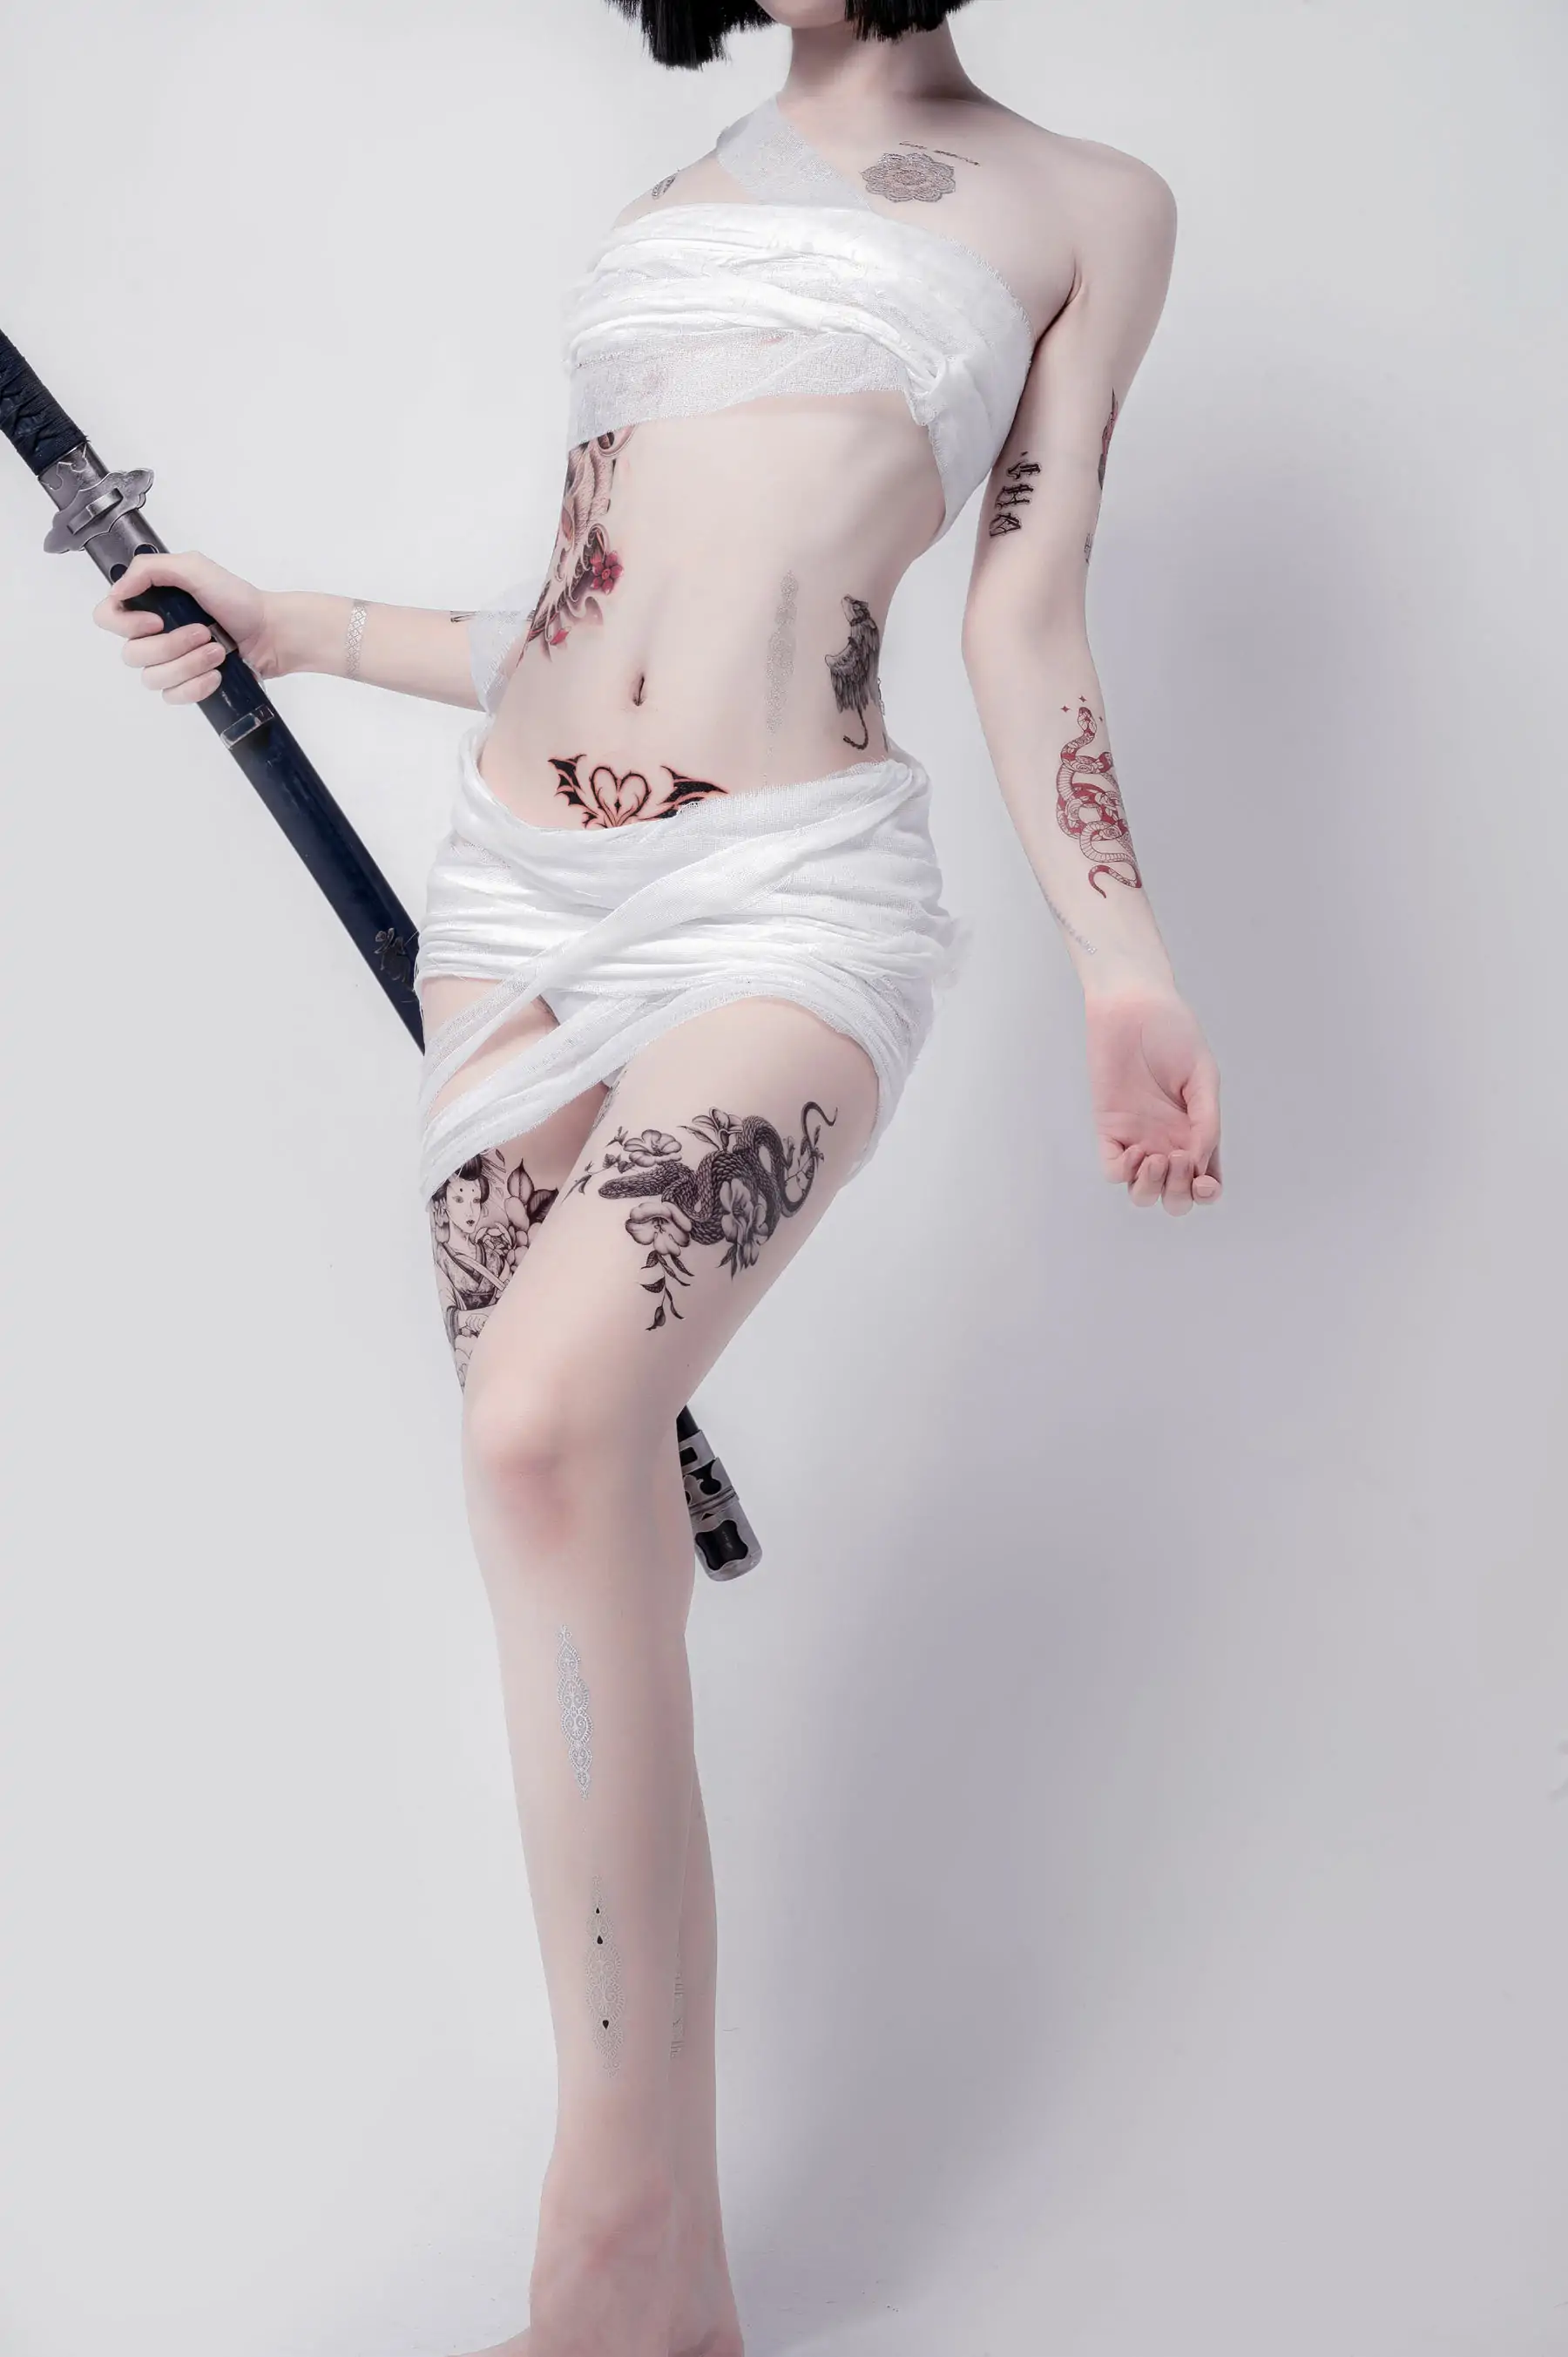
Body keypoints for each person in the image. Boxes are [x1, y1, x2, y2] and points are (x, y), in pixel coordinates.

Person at [93, 3, 1223, 2349]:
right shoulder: (674, 198)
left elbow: (1023, 612)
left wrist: (1124, 962)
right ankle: (667, 2269)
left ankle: (601, 2242)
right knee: (565, 1532)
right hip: (511, 905)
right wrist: (292, 627)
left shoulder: (1086, 208)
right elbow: (583, 606)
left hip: (786, 898)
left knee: (542, 1427)